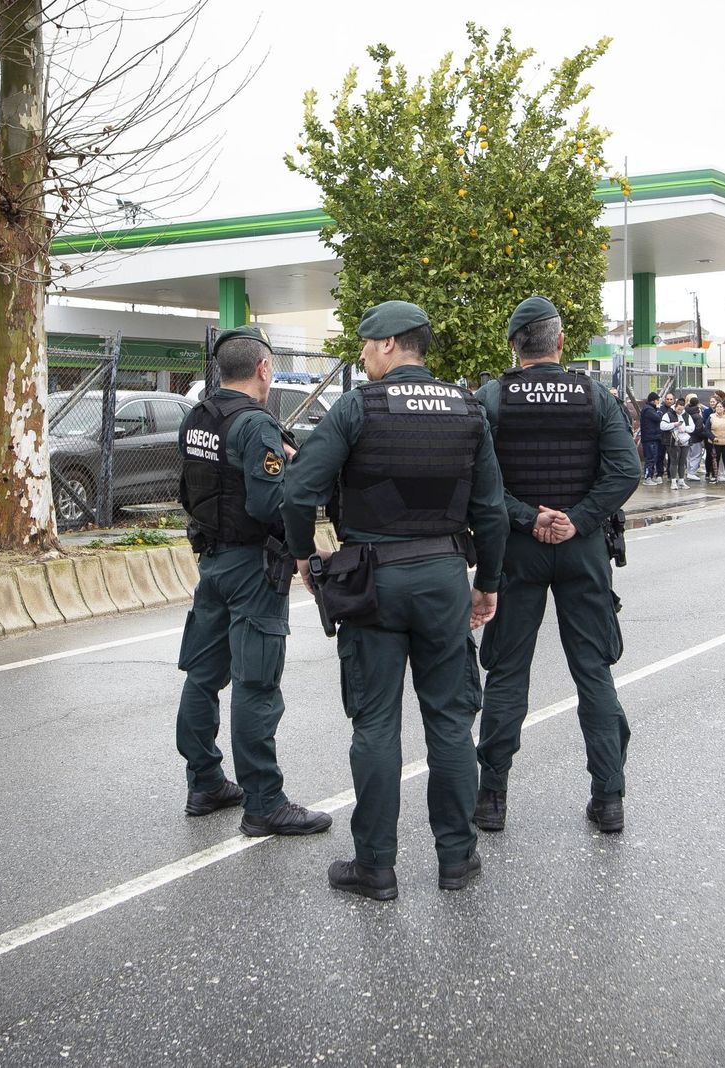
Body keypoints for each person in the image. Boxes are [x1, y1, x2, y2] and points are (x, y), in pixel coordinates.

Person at [282, 300, 508, 901]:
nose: (360, 355)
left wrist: (304, 556)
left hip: (373, 582)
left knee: (376, 724)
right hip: (442, 576)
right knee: (450, 723)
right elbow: (490, 510)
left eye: (364, 344)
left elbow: (297, 490)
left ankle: (375, 867)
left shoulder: (358, 407)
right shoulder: (467, 408)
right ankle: (457, 859)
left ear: (387, 346)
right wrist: (488, 583)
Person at [473, 296, 639, 836]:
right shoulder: (594, 396)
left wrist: (527, 517)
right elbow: (625, 471)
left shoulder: (492, 399)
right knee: (593, 671)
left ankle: (491, 798)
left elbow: (481, 482)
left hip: (515, 549)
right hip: (582, 548)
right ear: (562, 343)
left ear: (514, 346)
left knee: (508, 672)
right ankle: (608, 798)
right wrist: (578, 519)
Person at [175, 327, 332, 838]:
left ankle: (205, 782)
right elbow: (269, 504)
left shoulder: (198, 417)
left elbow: (190, 489)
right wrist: (293, 471)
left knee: (203, 675)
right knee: (256, 684)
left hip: (212, 561)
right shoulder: (255, 426)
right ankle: (263, 801)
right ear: (264, 368)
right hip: (253, 567)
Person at [659, 395, 692, 489]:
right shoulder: (668, 414)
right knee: (674, 461)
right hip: (672, 441)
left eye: (682, 409)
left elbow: (692, 427)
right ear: (675, 406)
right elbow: (662, 426)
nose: (680, 411)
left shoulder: (687, 415)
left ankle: (681, 480)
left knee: (682, 461)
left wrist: (684, 428)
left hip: (684, 441)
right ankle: (673, 481)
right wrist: (674, 425)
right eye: (678, 409)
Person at [707, 391, 725, 482]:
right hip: (715, 442)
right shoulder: (711, 417)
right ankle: (714, 476)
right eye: (717, 406)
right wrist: (712, 437)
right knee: (715, 459)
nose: (719, 408)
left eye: (721, 407)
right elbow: (706, 429)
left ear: (724, 408)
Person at [638, 391, 663, 485]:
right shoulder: (648, 410)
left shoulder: (649, 409)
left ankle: (651, 476)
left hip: (653, 437)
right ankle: (647, 477)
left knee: (654, 457)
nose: (658, 402)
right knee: (650, 458)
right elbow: (658, 418)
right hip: (650, 438)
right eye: (657, 400)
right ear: (653, 400)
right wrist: (659, 410)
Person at [683, 394, 705, 481]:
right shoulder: (697, 415)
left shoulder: (685, 413)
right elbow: (699, 429)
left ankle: (688, 471)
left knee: (687, 456)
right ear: (698, 404)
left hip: (685, 438)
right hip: (696, 439)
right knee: (696, 455)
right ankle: (692, 473)